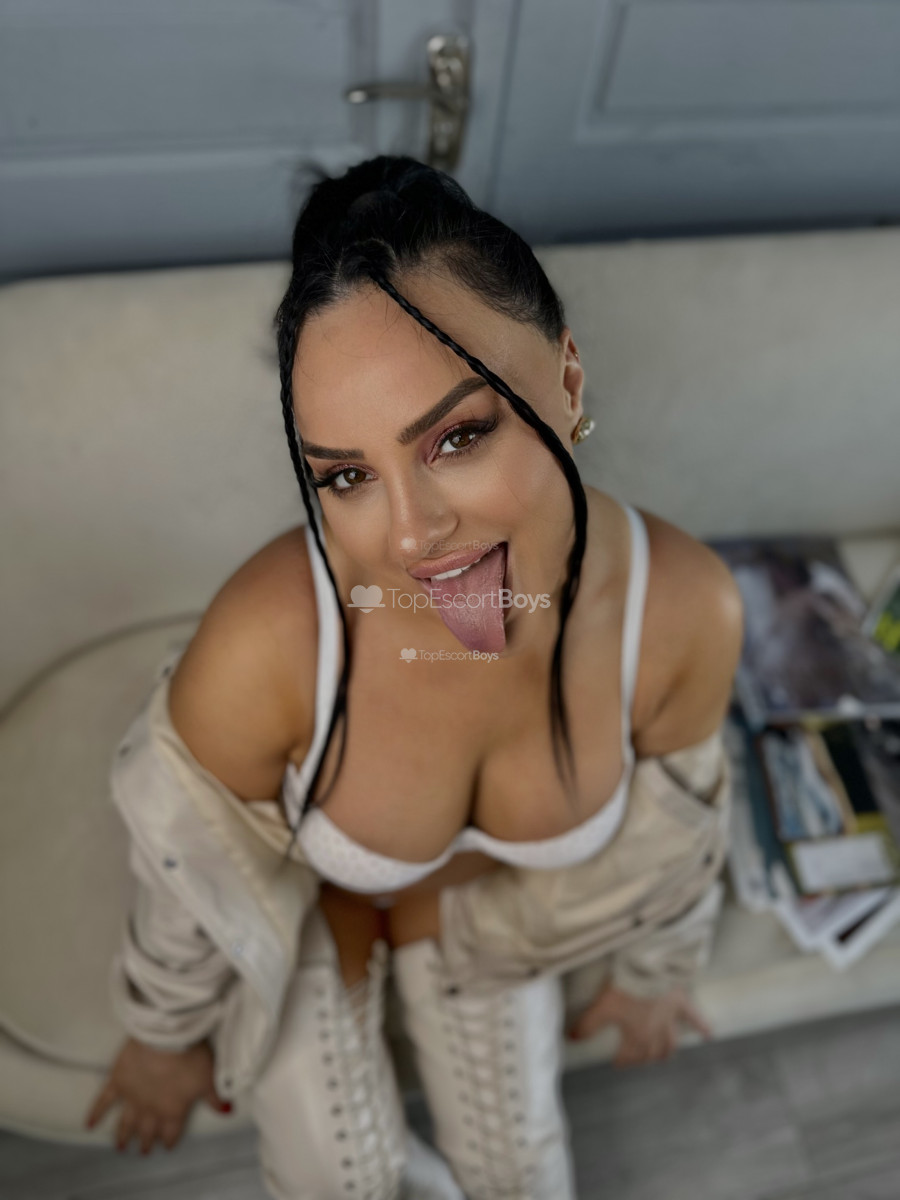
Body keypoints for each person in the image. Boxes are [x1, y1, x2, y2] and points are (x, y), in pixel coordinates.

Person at [84, 156, 743, 1199]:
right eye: (347, 475)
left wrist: (655, 975)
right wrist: (162, 1038)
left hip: (490, 936)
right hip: (317, 922)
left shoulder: (684, 613)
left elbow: (680, 831)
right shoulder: (264, 649)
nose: (409, 535)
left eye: (458, 436)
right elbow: (186, 874)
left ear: (569, 379)